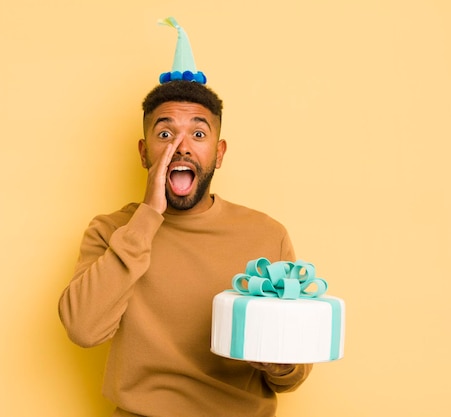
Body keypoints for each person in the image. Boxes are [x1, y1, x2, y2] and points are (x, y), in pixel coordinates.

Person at [58, 18, 312, 417]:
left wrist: (282, 364)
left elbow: (293, 372)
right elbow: (83, 330)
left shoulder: (266, 235)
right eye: (165, 134)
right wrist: (146, 217)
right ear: (143, 153)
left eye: (198, 134)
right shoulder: (110, 232)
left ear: (220, 152)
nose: (181, 147)